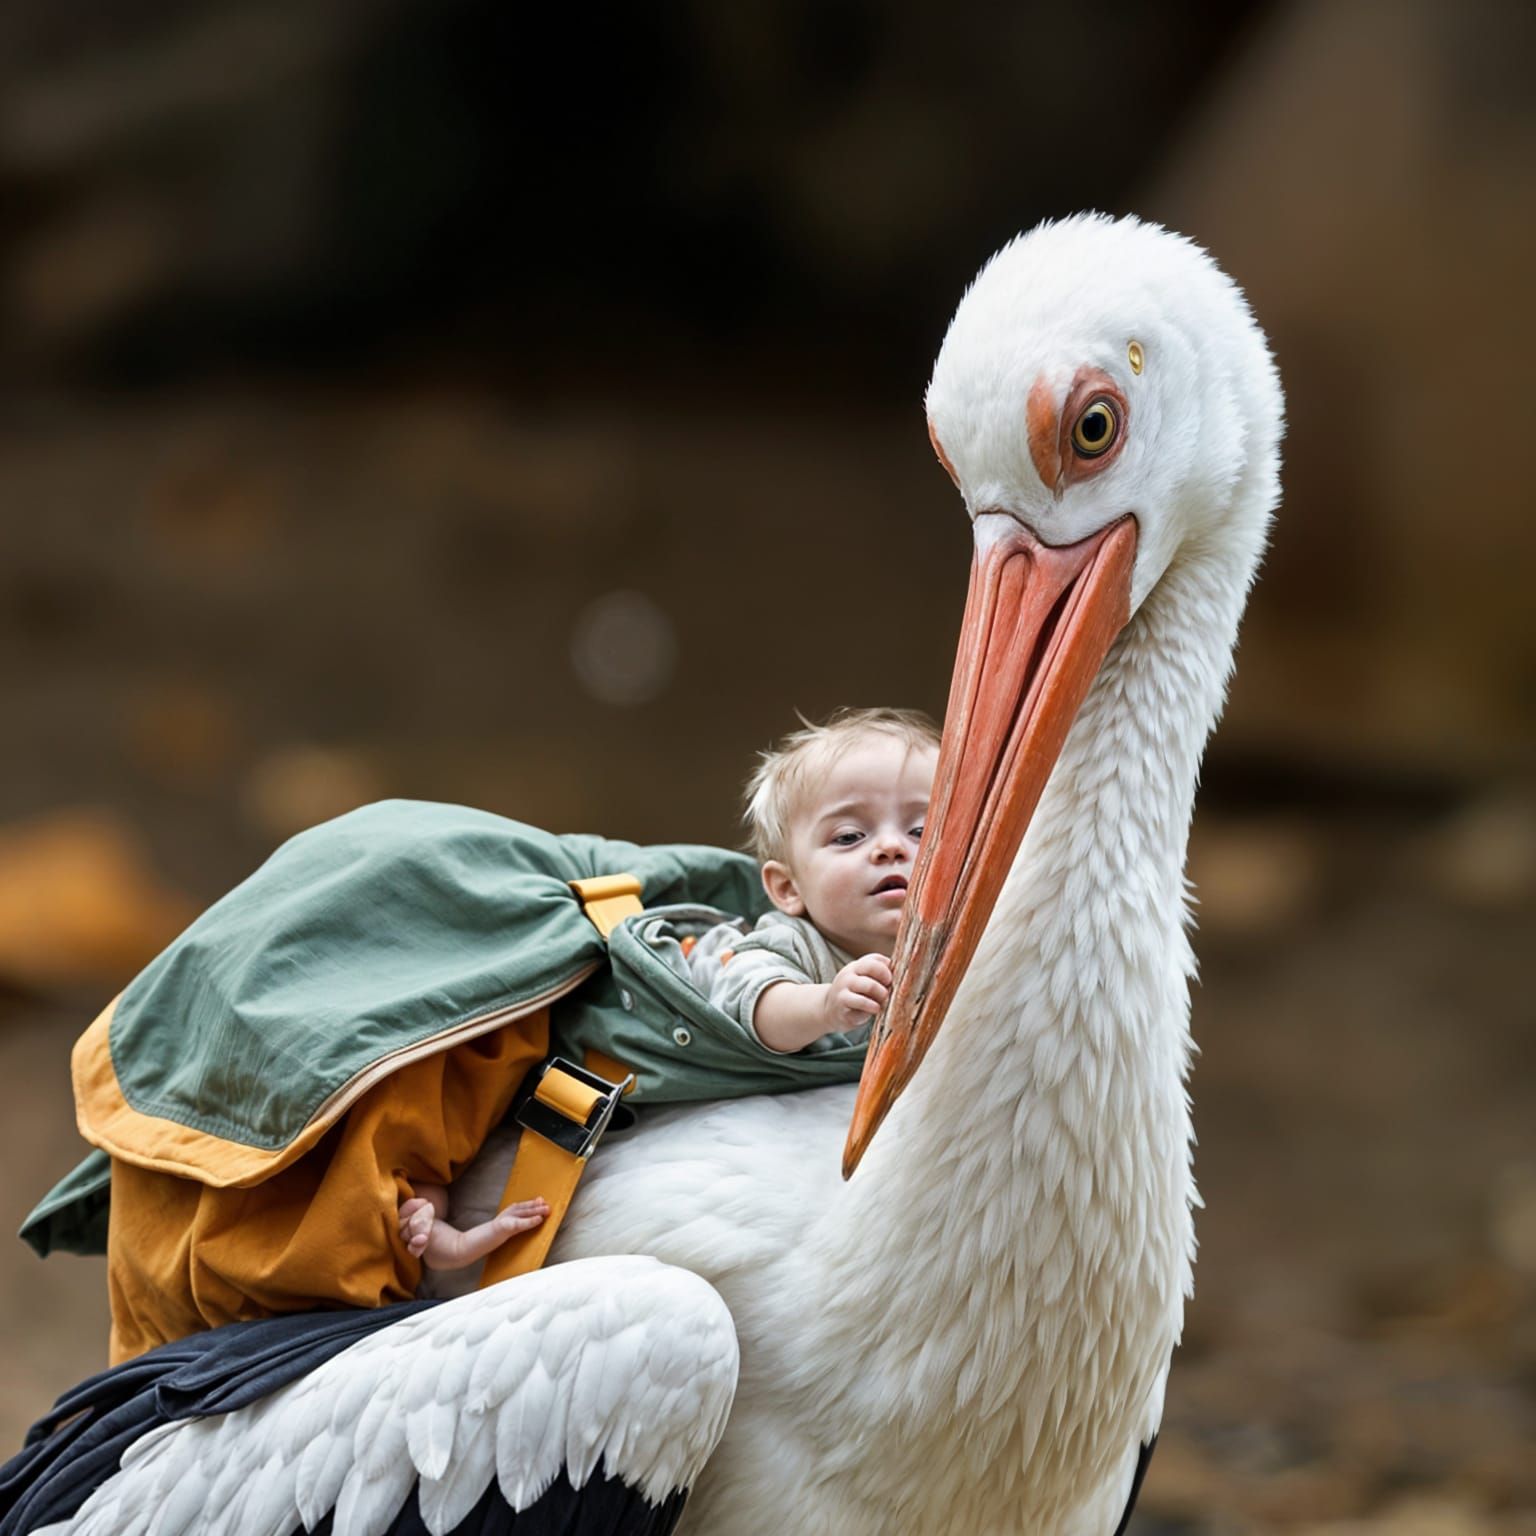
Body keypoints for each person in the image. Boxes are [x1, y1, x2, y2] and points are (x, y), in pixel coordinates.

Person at [399, 705, 941, 1271]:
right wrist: (826, 1005)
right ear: (787, 889)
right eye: (850, 836)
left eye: (922, 829)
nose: (890, 847)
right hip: (612, 1039)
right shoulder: (792, 945)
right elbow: (757, 1004)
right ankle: (426, 1201)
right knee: (479, 1091)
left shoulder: (953, 948)